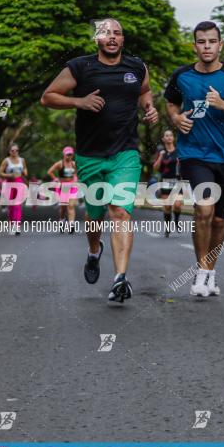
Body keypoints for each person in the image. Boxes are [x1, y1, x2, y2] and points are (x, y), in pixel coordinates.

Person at [40, 18, 158, 303]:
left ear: (123, 39)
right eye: (106, 33)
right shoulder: (80, 67)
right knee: (95, 216)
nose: (112, 37)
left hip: (125, 154)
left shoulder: (136, 67)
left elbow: (144, 91)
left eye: (117, 33)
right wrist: (78, 102)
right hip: (90, 155)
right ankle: (94, 252)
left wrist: (150, 108)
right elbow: (48, 97)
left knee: (120, 211)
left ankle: (120, 278)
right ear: (97, 39)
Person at [164, 21, 224, 297]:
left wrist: (223, 105)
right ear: (195, 45)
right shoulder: (181, 76)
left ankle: (211, 271)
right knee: (203, 210)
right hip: (194, 154)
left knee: (218, 219)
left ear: (220, 45)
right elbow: (170, 102)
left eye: (211, 41)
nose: (207, 46)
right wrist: (176, 117)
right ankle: (201, 272)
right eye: (201, 42)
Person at [152, 129, 182, 237]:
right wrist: (160, 156)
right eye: (166, 136)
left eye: (170, 135)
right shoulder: (161, 152)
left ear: (173, 138)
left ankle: (177, 221)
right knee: (167, 207)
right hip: (165, 182)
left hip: (177, 181)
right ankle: (168, 228)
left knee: (177, 205)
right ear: (163, 139)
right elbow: (155, 168)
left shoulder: (178, 151)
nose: (169, 137)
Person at [47, 146, 79, 233]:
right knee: (63, 208)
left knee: (71, 206)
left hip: (72, 186)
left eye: (70, 155)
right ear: (64, 154)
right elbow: (49, 171)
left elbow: (77, 173)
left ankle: (71, 225)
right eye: (67, 154)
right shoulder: (60, 164)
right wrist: (55, 179)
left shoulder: (73, 164)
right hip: (63, 187)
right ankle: (61, 220)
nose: (69, 156)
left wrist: (76, 178)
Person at [0, 144, 28, 235]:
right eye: (12, 150)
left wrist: (24, 172)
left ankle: (17, 226)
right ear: (9, 151)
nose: (14, 152)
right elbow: (0, 173)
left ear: (18, 151)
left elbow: (25, 170)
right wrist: (9, 175)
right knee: (11, 206)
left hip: (19, 183)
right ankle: (11, 225)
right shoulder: (6, 161)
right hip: (9, 183)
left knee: (17, 205)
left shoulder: (22, 160)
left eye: (16, 150)